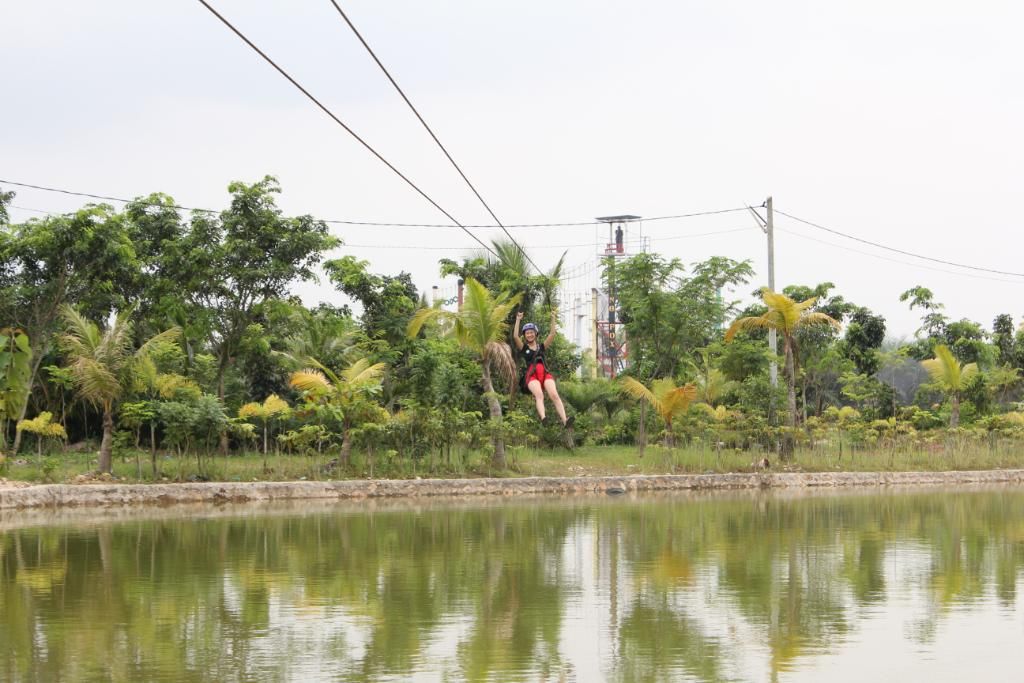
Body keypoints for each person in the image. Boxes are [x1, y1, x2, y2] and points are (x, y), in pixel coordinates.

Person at [512, 309, 572, 427]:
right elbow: (515, 337)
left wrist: (553, 318)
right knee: (539, 395)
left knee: (554, 395)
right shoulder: (524, 349)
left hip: (545, 374)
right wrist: (518, 320)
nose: (529, 334)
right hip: (532, 376)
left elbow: (552, 334)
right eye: (527, 333)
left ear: (536, 334)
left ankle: (565, 420)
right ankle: (544, 418)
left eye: (531, 332)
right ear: (525, 335)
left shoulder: (541, 347)